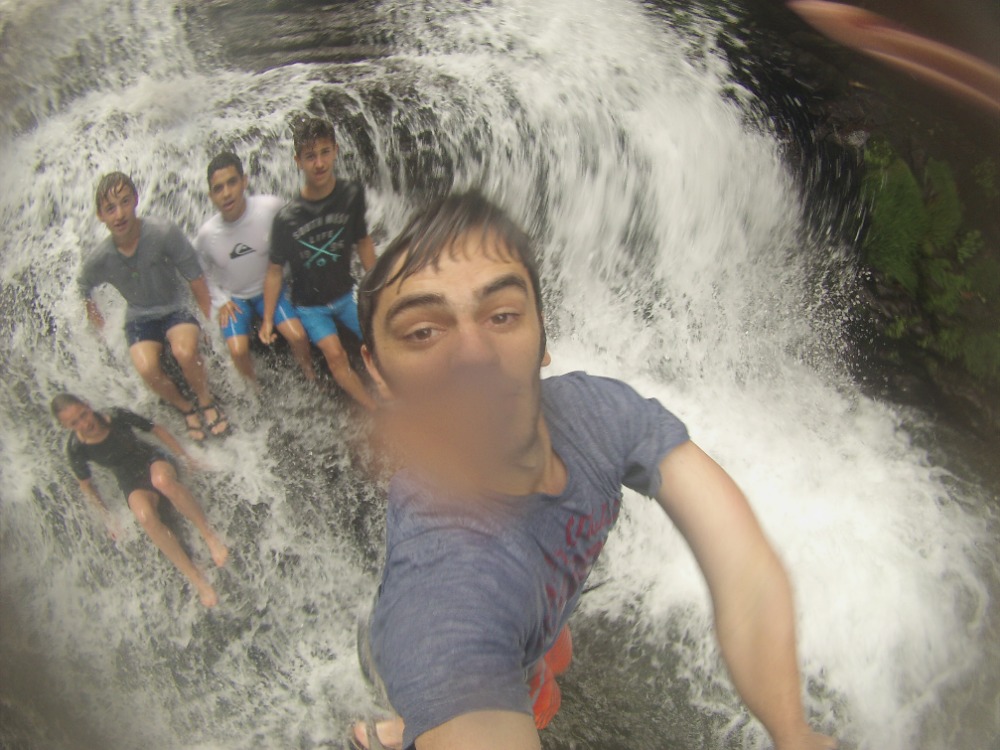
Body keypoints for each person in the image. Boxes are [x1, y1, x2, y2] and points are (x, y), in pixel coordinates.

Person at [348, 192, 838, 750]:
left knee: (551, 656)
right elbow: (458, 664)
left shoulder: (597, 412)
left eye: (502, 315)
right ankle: (401, 730)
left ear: (543, 336)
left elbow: (743, 568)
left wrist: (794, 735)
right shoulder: (443, 606)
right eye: (423, 332)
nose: (476, 356)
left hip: (532, 613)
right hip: (428, 649)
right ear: (378, 374)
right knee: (458, 695)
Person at [79, 172, 229, 440]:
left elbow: (195, 276)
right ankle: (185, 408)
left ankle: (206, 401)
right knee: (146, 367)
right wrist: (97, 322)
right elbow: (83, 287)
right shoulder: (101, 258)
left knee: (184, 351)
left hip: (176, 307)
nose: (119, 214)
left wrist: (208, 323)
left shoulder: (163, 232)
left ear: (136, 200)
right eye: (110, 209)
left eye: (125, 202)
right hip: (140, 316)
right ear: (101, 216)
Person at [51, 393, 229, 608]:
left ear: (88, 405)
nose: (84, 423)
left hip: (152, 460)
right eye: (75, 423)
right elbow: (87, 486)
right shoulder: (76, 449)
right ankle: (196, 578)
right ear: (66, 426)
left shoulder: (115, 416)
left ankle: (209, 536)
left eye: (83, 414)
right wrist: (108, 519)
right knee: (145, 517)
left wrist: (186, 458)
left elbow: (156, 429)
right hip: (129, 479)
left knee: (162, 482)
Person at [262, 116, 377, 410]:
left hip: (346, 293)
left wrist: (379, 283)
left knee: (377, 337)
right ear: (298, 161)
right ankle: (374, 408)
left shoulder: (351, 195)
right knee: (335, 354)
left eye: (325, 152)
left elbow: (363, 241)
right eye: (310, 156)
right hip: (310, 307)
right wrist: (267, 319)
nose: (319, 163)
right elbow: (274, 271)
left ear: (336, 150)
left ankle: (393, 388)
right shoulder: (287, 219)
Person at [194, 152, 316, 385]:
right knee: (238, 350)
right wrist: (220, 300)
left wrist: (298, 274)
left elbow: (297, 232)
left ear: (244, 181)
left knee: (298, 335)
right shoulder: (206, 235)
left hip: (271, 289)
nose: (226, 193)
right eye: (218, 188)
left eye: (232, 182)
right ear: (211, 196)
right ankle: (255, 389)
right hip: (236, 298)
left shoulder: (270, 207)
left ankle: (309, 373)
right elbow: (201, 271)